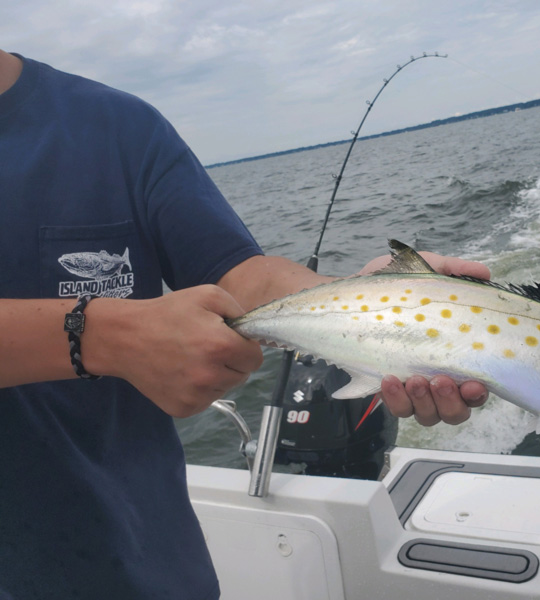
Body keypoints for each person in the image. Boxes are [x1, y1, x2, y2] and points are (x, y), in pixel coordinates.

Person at [0, 49, 489, 599]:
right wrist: (97, 334)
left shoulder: (116, 126)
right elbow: (111, 329)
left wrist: (369, 304)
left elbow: (237, 275)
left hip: (141, 564)